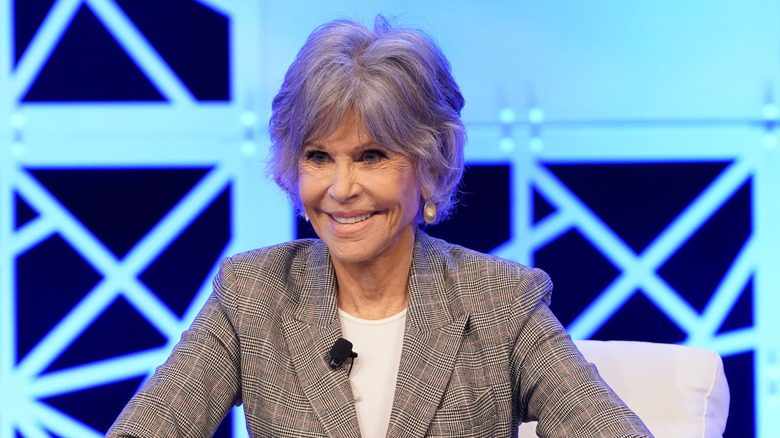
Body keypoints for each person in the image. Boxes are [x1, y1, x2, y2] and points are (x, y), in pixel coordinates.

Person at [107, 15, 653, 438]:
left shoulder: (498, 301)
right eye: (318, 156)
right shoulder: (253, 293)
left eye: (371, 156)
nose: (340, 188)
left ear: (430, 164)